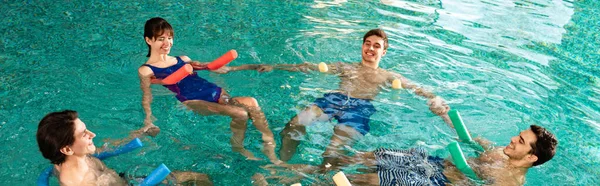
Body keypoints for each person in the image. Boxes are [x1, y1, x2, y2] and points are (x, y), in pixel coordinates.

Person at [256, 28, 452, 167]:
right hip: (334, 100)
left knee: (332, 153)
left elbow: (420, 90)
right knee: (294, 124)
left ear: (383, 52)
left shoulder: (389, 76)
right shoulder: (345, 67)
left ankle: (320, 179)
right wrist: (276, 66)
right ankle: (281, 163)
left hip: (360, 109)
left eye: (377, 46)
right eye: (367, 43)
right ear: (362, 46)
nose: (371, 48)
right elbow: (308, 67)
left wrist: (435, 100)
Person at [137, 17, 278, 163]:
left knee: (252, 102)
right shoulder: (146, 70)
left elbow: (217, 68)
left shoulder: (183, 59)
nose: (167, 43)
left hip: (214, 92)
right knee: (241, 113)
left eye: (170, 38)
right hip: (193, 100)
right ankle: (238, 149)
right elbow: (146, 96)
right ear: (149, 40)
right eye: (161, 39)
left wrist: (252, 66)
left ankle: (270, 149)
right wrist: (148, 120)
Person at [261, 125, 558, 186]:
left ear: (531, 157)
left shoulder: (510, 182)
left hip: (435, 183)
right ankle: (310, 170)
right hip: (433, 164)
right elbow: (475, 143)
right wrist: (451, 122)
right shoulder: (499, 152)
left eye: (520, 141)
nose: (511, 139)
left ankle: (299, 183)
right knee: (366, 157)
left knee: (366, 180)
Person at [36, 110, 213, 186]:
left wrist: (140, 134)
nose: (92, 134)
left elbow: (109, 148)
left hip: (125, 180)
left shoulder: (75, 158)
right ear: (67, 149)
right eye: (84, 134)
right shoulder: (79, 183)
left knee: (199, 177)